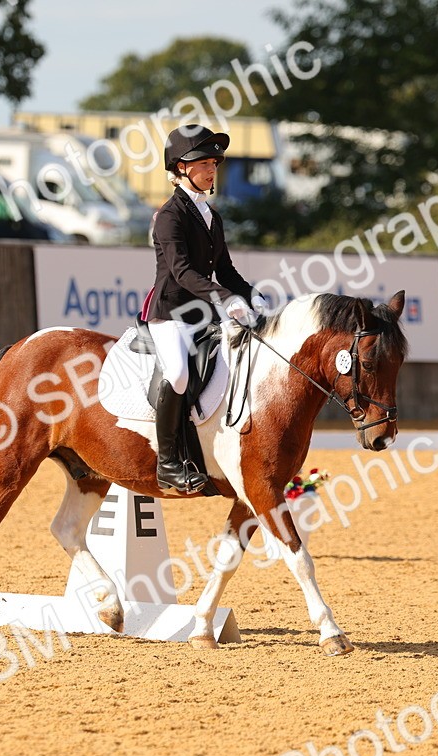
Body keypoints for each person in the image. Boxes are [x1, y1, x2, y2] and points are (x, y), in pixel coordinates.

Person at [141, 124, 268, 494]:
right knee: (179, 373)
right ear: (180, 167)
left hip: (204, 313)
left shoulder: (211, 215)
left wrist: (248, 293)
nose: (211, 169)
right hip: (170, 313)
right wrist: (225, 298)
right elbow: (182, 272)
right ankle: (167, 463)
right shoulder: (169, 216)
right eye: (202, 163)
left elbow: (225, 269)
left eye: (214, 162)